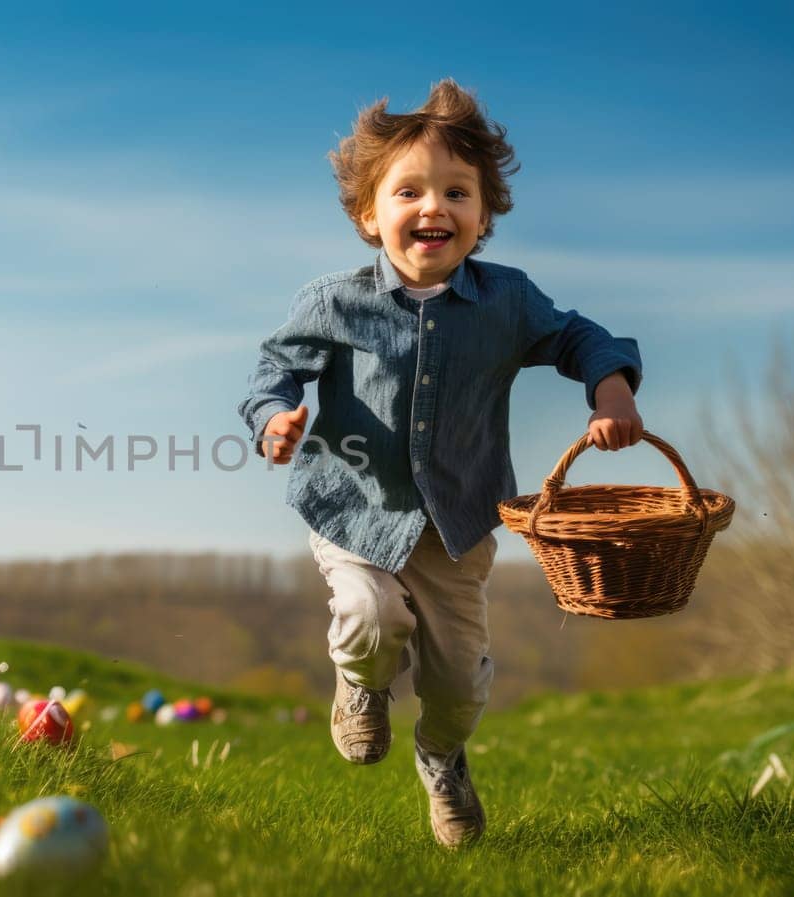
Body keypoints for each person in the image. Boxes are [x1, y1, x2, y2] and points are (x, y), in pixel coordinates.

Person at [236, 78, 644, 848]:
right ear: (369, 215)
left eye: (457, 191)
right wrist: (274, 421)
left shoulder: (509, 302)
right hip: (352, 505)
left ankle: (443, 756)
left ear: (484, 215)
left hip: (458, 524)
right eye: (409, 191)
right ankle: (360, 686)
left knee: (456, 679)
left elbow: (579, 337)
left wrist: (611, 384)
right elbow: (271, 371)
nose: (434, 208)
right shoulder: (334, 303)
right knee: (370, 614)